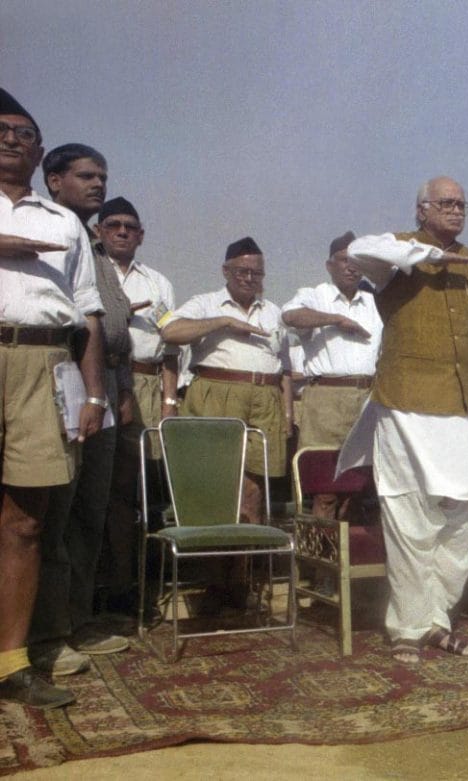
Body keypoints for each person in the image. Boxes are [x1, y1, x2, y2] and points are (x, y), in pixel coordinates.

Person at [335, 176, 468, 662]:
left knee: (465, 517)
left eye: (462, 204)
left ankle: (436, 618)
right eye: (445, 203)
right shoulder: (394, 254)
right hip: (405, 401)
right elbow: (356, 250)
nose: (456, 210)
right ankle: (408, 625)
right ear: (421, 210)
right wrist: (425, 257)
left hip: (464, 402)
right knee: (410, 515)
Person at [0, 87, 106, 708]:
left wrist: (92, 394)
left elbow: (87, 316)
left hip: (45, 363)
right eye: (1, 130)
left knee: (26, 522)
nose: (11, 139)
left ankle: (12, 662)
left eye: (23, 133)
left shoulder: (63, 222)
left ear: (39, 152)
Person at [29, 144, 133, 671]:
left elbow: (112, 325)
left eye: (103, 175)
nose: (97, 184)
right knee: (56, 515)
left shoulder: (97, 248)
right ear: (53, 181)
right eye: (86, 175)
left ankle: (79, 618)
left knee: (92, 513)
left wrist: (120, 392)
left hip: (106, 391)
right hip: (61, 384)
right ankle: (48, 631)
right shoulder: (48, 235)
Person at [161, 238, 292, 540]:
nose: (249, 279)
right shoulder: (205, 303)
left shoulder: (274, 312)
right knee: (216, 484)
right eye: (241, 272)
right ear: (225, 271)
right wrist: (222, 321)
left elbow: (284, 367)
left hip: (266, 399)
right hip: (217, 392)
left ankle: (245, 570)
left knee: (255, 486)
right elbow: (170, 331)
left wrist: (287, 413)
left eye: (256, 274)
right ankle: (217, 573)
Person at [102, 197, 179, 617]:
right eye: (113, 225)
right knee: (104, 488)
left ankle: (137, 587)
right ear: (99, 231)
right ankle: (109, 587)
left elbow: (171, 346)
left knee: (143, 490)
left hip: (149, 383)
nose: (122, 232)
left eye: (130, 226)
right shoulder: (91, 273)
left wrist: (169, 401)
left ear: (141, 234)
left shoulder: (157, 283)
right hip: (104, 376)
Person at [281, 231, 383, 520]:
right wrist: (337, 320)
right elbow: (289, 317)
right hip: (326, 398)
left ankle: (350, 560)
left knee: (359, 489)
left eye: (356, 261)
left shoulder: (374, 302)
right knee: (325, 489)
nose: (350, 267)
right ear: (329, 265)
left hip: (367, 398)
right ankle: (318, 563)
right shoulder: (315, 295)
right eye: (343, 260)